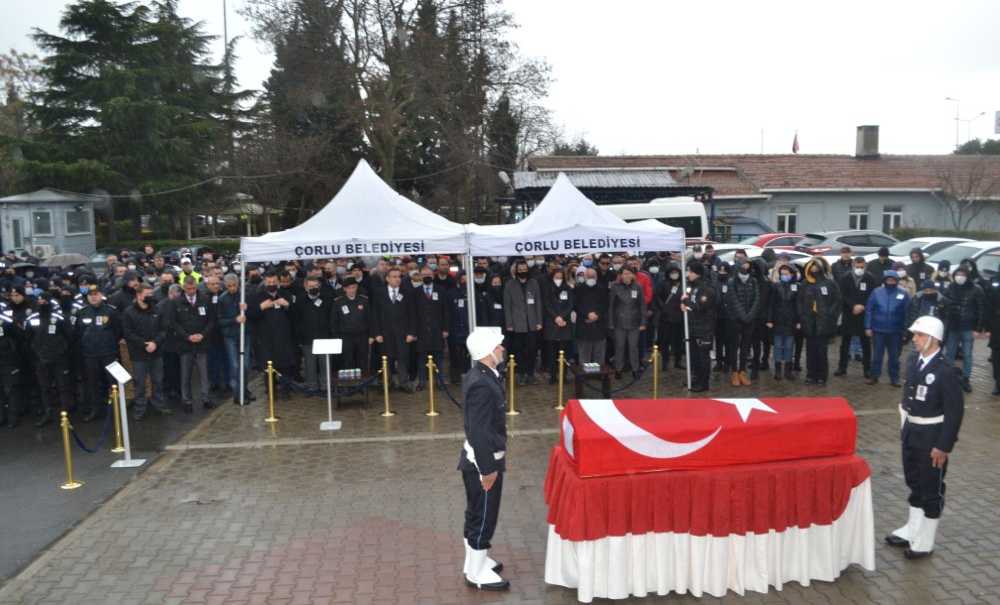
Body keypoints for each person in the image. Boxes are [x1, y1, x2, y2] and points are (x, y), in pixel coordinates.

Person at [884, 316, 963, 560]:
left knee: (931, 488)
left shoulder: (946, 371)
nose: (914, 339)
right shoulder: (913, 360)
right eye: (915, 335)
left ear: (933, 339)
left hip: (932, 437)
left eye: (919, 335)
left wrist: (943, 446)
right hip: (912, 432)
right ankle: (913, 529)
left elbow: (954, 412)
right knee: (914, 482)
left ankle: (926, 540)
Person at [459, 327, 509, 591]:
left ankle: (475, 560)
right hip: (482, 462)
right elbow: (478, 430)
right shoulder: (481, 382)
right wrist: (487, 469)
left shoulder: (483, 374)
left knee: (476, 512)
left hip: (480, 459)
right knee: (484, 516)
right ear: (489, 352)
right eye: (498, 346)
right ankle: (476, 573)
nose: (502, 349)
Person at [122, 283, 172, 420]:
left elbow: (163, 329)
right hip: (139, 354)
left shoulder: (157, 310)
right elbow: (128, 333)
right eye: (147, 294)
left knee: (158, 380)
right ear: (138, 295)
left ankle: (159, 405)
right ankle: (140, 409)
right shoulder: (129, 312)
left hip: (156, 352)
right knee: (140, 383)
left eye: (151, 294)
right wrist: (144, 344)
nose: (150, 297)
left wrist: (155, 342)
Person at [24, 292, 74, 427]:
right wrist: (35, 356)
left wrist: (62, 353)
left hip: (59, 359)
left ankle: (65, 415)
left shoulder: (59, 318)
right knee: (44, 388)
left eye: (44, 300)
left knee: (63, 387)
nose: (42, 303)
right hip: (41, 360)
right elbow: (27, 340)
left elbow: (69, 337)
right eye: (39, 301)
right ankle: (48, 413)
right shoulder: (31, 319)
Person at [75, 285, 123, 422]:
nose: (93, 297)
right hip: (90, 355)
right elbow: (78, 333)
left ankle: (117, 408)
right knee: (93, 384)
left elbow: (118, 331)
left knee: (112, 383)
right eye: (90, 295)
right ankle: (96, 409)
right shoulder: (82, 312)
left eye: (96, 294)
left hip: (109, 353)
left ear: (101, 295)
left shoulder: (111, 311)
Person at [172, 276, 216, 412]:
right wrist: (187, 336)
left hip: (202, 343)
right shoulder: (177, 302)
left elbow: (211, 321)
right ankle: (187, 401)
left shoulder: (205, 300)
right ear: (184, 287)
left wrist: (202, 334)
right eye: (188, 289)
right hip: (185, 344)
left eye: (193, 288)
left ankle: (206, 398)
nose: (191, 291)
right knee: (185, 374)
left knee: (204, 373)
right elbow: (174, 323)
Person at [246, 272, 297, 389]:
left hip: (284, 337)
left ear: (278, 282)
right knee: (269, 366)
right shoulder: (255, 297)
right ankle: (271, 391)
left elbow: (296, 315)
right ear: (264, 282)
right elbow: (250, 315)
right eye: (269, 282)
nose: (272, 284)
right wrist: (261, 308)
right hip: (266, 338)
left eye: (274, 282)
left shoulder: (285, 294)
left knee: (286, 365)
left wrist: (288, 305)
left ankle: (286, 389)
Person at [372, 268, 417, 392]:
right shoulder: (379, 292)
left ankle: (404, 382)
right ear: (387, 279)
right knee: (386, 359)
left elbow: (412, 314)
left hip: (403, 333)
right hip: (385, 333)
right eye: (394, 276)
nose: (397, 279)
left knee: (403, 358)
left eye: (399, 276)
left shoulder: (407, 292)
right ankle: (387, 383)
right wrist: (376, 333)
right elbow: (374, 315)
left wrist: (411, 332)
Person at [942, 264, 985, 393]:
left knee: (967, 354)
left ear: (967, 276)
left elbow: (981, 309)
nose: (960, 277)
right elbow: (943, 303)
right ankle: (949, 378)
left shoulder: (976, 289)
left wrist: (978, 327)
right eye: (957, 275)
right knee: (950, 353)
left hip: (968, 326)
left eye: (963, 275)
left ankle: (966, 378)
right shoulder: (951, 287)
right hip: (953, 326)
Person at [799, 257, 841, 385]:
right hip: (809, 322)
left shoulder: (830, 283)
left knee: (821, 351)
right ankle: (811, 375)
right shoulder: (805, 284)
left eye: (816, 266)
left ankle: (822, 376)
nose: (814, 269)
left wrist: (829, 315)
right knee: (810, 350)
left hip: (823, 322)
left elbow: (837, 301)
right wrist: (803, 316)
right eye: (811, 266)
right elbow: (799, 302)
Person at [865, 270, 910, 386]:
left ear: (897, 281)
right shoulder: (876, 292)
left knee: (894, 357)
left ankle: (894, 378)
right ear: (884, 280)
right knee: (877, 355)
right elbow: (869, 310)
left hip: (895, 331)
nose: (890, 282)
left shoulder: (903, 294)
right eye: (888, 280)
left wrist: (906, 330)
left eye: (893, 280)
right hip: (878, 329)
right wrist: (868, 327)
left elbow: (907, 313)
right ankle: (874, 376)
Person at [836, 257, 876, 378]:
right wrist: (853, 305)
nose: (859, 269)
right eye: (857, 267)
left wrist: (862, 306)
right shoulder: (845, 277)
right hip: (849, 314)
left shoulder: (870, 278)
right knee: (845, 343)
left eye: (861, 267)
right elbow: (842, 294)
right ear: (853, 265)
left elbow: (872, 294)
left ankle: (867, 369)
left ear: (865, 266)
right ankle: (842, 368)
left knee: (866, 344)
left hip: (863, 315)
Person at [503, 260, 542, 385]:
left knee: (532, 350)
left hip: (532, 324)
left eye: (524, 269)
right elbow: (507, 306)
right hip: (517, 324)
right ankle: (519, 374)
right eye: (520, 269)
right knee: (518, 351)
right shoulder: (509, 284)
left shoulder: (534, 283)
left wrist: (539, 321)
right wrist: (509, 323)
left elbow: (538, 303)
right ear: (516, 271)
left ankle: (530, 374)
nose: (523, 271)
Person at [681, 261, 717, 392]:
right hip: (693, 327)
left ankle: (704, 383)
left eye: (690, 272)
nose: (688, 274)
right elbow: (690, 304)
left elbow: (700, 307)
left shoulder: (706, 289)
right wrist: (685, 305)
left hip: (704, 328)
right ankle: (695, 379)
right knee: (694, 356)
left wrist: (686, 301)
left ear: (697, 273)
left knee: (703, 356)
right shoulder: (692, 286)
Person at [217, 274, 252, 404]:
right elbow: (220, 320)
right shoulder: (222, 299)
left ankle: (245, 390)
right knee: (235, 365)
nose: (232, 288)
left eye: (234, 285)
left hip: (245, 334)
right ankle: (238, 394)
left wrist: (247, 309)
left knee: (246, 365)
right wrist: (234, 320)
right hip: (230, 336)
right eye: (229, 286)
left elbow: (253, 313)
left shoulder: (244, 296)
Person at [724, 257, 759, 386]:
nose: (746, 267)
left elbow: (757, 299)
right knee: (734, 346)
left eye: (748, 265)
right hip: (735, 319)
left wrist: (750, 315)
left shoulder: (753, 281)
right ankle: (734, 371)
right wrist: (743, 315)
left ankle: (742, 371)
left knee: (745, 346)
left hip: (749, 320)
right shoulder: (732, 281)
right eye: (744, 264)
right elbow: (733, 299)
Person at [413, 266, 450, 387]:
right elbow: (412, 313)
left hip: (437, 330)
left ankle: (440, 381)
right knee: (421, 358)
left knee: (439, 358)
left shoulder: (441, 290)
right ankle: (422, 382)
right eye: (424, 275)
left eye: (428, 274)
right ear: (420, 276)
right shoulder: (416, 292)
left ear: (433, 275)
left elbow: (446, 311)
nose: (426, 277)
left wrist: (445, 328)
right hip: (421, 331)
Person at [609, 267, 647, 379]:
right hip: (619, 322)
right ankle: (618, 369)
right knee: (619, 347)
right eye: (624, 273)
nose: (626, 276)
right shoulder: (615, 287)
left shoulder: (638, 286)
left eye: (629, 273)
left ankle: (635, 369)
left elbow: (642, 305)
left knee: (633, 347)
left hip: (634, 322)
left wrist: (643, 322)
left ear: (633, 275)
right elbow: (611, 306)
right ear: (620, 275)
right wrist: (611, 322)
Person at [331, 276, 373, 374]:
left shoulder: (364, 300)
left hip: (362, 335)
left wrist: (371, 335)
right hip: (345, 336)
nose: (352, 290)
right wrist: (337, 337)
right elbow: (334, 321)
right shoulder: (338, 302)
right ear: (344, 289)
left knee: (362, 359)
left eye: (353, 287)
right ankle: (349, 385)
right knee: (347, 360)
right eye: (349, 288)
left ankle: (363, 384)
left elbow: (370, 319)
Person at [540, 266, 573, 383]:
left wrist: (562, 317)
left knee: (563, 352)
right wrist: (556, 317)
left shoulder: (568, 288)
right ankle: (552, 376)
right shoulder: (547, 289)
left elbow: (570, 305)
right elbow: (547, 305)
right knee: (552, 352)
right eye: (556, 277)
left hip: (564, 323)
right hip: (551, 323)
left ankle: (563, 376)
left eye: (560, 277)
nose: (558, 278)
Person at [767, 263, 799, 381]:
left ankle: (788, 370)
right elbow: (771, 304)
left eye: (786, 274)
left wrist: (798, 320)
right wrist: (769, 319)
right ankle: (778, 370)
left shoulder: (796, 286)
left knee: (789, 346)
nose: (784, 276)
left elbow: (798, 305)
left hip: (791, 321)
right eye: (782, 274)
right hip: (778, 321)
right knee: (778, 346)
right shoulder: (776, 286)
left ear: (791, 274)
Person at [653, 263, 685, 371]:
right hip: (665, 317)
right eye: (672, 272)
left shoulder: (682, 284)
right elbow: (657, 297)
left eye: (676, 272)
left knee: (678, 341)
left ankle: (678, 361)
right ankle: (665, 362)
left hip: (679, 317)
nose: (674, 274)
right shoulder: (662, 283)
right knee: (665, 341)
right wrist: (663, 308)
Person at [574, 268, 609, 365]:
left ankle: (598, 373)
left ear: (596, 277)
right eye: (589, 277)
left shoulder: (602, 288)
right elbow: (576, 304)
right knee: (584, 352)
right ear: (584, 277)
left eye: (592, 277)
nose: (591, 278)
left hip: (599, 325)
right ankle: (584, 373)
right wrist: (587, 314)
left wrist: (597, 315)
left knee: (599, 352)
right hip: (583, 324)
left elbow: (605, 305)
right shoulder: (578, 289)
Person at [0, 303, 22, 427]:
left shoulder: (6, 321)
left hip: (8, 361)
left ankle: (13, 417)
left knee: (12, 389)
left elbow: (19, 337)